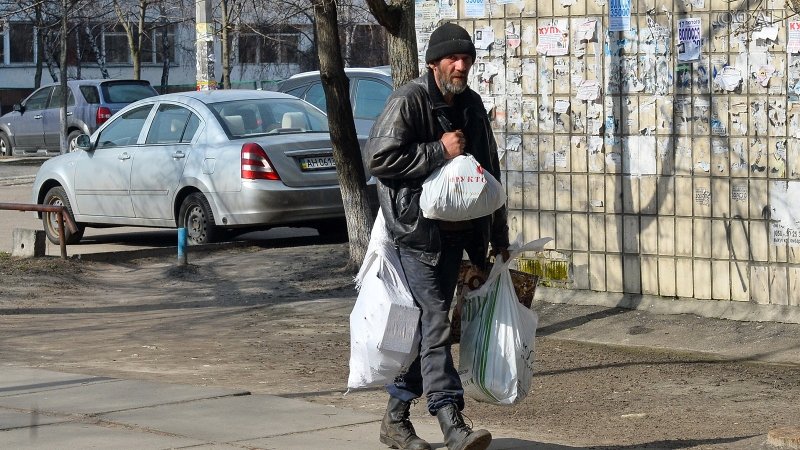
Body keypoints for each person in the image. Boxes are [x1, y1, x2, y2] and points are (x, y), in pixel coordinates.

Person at [366, 22, 510, 450]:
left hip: (458, 236)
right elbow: (379, 158)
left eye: (467, 59)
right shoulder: (409, 101)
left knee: (426, 330)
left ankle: (394, 420)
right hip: (416, 236)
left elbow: (489, 173)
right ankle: (452, 422)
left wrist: (498, 234)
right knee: (434, 325)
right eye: (453, 58)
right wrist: (438, 151)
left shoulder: (472, 105)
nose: (461, 65)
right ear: (433, 63)